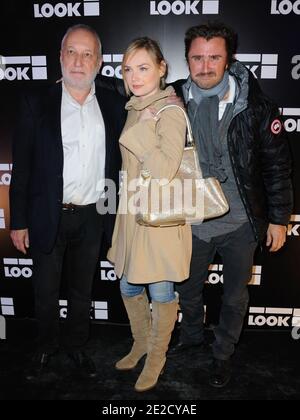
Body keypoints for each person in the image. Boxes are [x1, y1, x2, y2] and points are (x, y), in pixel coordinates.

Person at [168, 22, 293, 388]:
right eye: (197, 58)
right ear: (187, 58)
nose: (205, 66)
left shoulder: (256, 105)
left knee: (235, 296)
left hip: (240, 223)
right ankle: (191, 338)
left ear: (228, 59)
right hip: (190, 222)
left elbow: (277, 165)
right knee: (187, 289)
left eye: (214, 57)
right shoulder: (170, 99)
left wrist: (279, 218)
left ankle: (222, 354)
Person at [9, 24, 126, 380]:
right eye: (71, 52)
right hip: (47, 215)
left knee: (81, 291)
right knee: (45, 291)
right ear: (60, 58)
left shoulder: (113, 102)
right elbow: (22, 168)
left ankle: (76, 346)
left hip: (93, 217)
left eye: (87, 53)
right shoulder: (36, 103)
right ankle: (45, 346)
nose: (78, 60)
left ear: (100, 61)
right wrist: (18, 221)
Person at [107, 37, 192, 392]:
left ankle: (157, 355)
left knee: (160, 293)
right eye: (128, 69)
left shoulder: (169, 112)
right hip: (131, 218)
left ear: (162, 69)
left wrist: (144, 126)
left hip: (160, 222)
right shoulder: (134, 107)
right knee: (127, 283)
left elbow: (162, 170)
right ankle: (141, 342)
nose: (134, 76)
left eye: (144, 67)